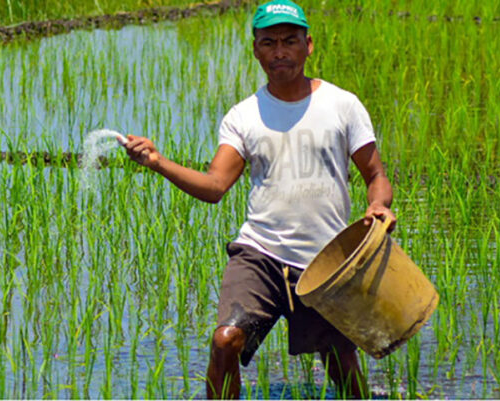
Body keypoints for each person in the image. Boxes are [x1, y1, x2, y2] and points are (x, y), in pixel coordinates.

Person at [121, 0, 396, 397]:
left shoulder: (342, 104)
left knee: (341, 362)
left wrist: (379, 207)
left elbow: (376, 175)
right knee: (225, 340)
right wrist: (158, 162)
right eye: (268, 42)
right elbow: (215, 187)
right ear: (255, 50)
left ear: (309, 45)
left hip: (328, 260)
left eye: (289, 41)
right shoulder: (244, 115)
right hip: (260, 254)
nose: (279, 51)